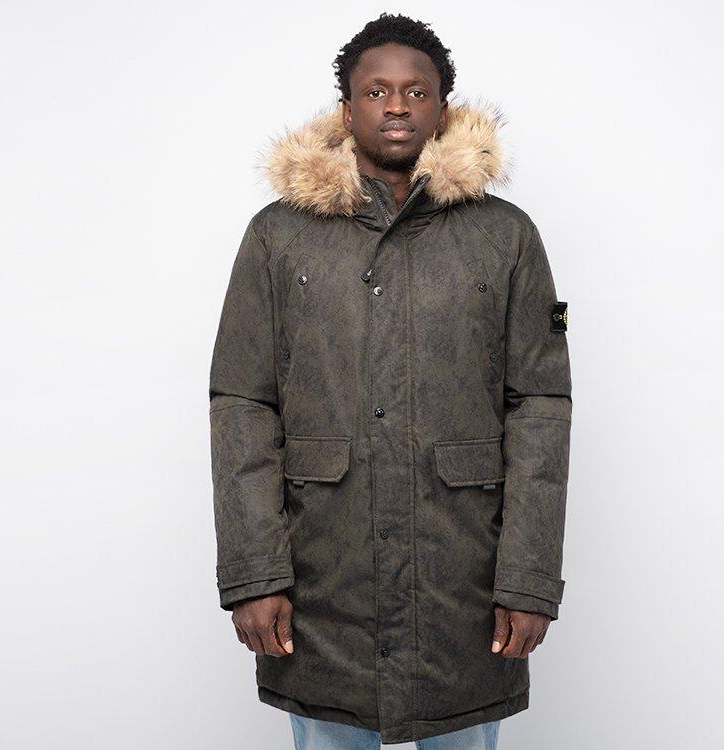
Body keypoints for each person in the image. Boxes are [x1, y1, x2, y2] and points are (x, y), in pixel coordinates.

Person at [208, 12, 572, 749]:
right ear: (348, 110)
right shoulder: (279, 235)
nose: (397, 105)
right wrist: (254, 574)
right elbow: (242, 403)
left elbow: (539, 407)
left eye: (416, 91)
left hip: (462, 577)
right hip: (324, 572)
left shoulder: (504, 235)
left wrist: (529, 579)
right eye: (376, 91)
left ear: (443, 108)